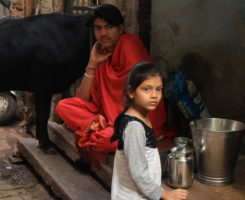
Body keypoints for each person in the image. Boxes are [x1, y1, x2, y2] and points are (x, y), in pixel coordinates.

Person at [55, 4, 175, 155]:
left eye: (108, 27)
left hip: (139, 122)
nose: (103, 33)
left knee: (105, 140)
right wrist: (92, 64)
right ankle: (100, 129)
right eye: (98, 28)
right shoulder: (102, 54)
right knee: (63, 106)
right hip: (109, 119)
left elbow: (141, 95)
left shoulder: (128, 43)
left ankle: (98, 130)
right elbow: (82, 98)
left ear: (120, 28)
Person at [110, 62, 188, 200]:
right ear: (131, 92)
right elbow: (138, 172)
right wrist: (163, 194)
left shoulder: (141, 118)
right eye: (146, 89)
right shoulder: (134, 127)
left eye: (158, 89)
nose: (154, 95)